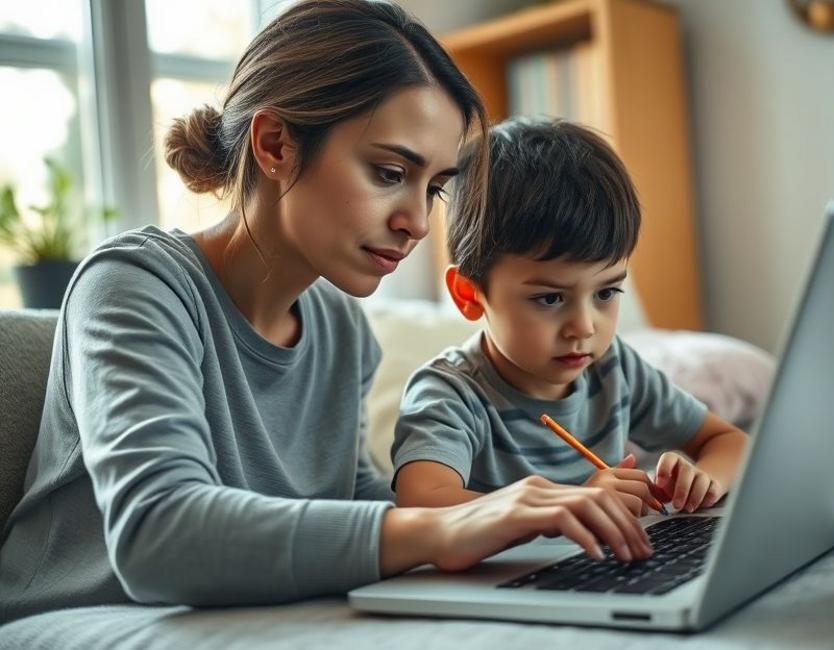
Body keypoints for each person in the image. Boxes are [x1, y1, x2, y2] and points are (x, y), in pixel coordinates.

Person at [0, 0, 653, 625]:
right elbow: (156, 537)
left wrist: (532, 514)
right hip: (83, 618)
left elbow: (352, 507)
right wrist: (444, 525)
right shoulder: (135, 285)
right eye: (389, 172)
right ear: (277, 145)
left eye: (432, 188)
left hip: (243, 618)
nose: (417, 223)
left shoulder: (340, 328)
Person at [392, 118, 749, 522]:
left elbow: (729, 441)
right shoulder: (449, 393)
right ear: (469, 294)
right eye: (549, 298)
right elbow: (420, 505)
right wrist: (571, 502)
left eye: (606, 293)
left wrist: (704, 479)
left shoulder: (614, 368)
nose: (584, 327)